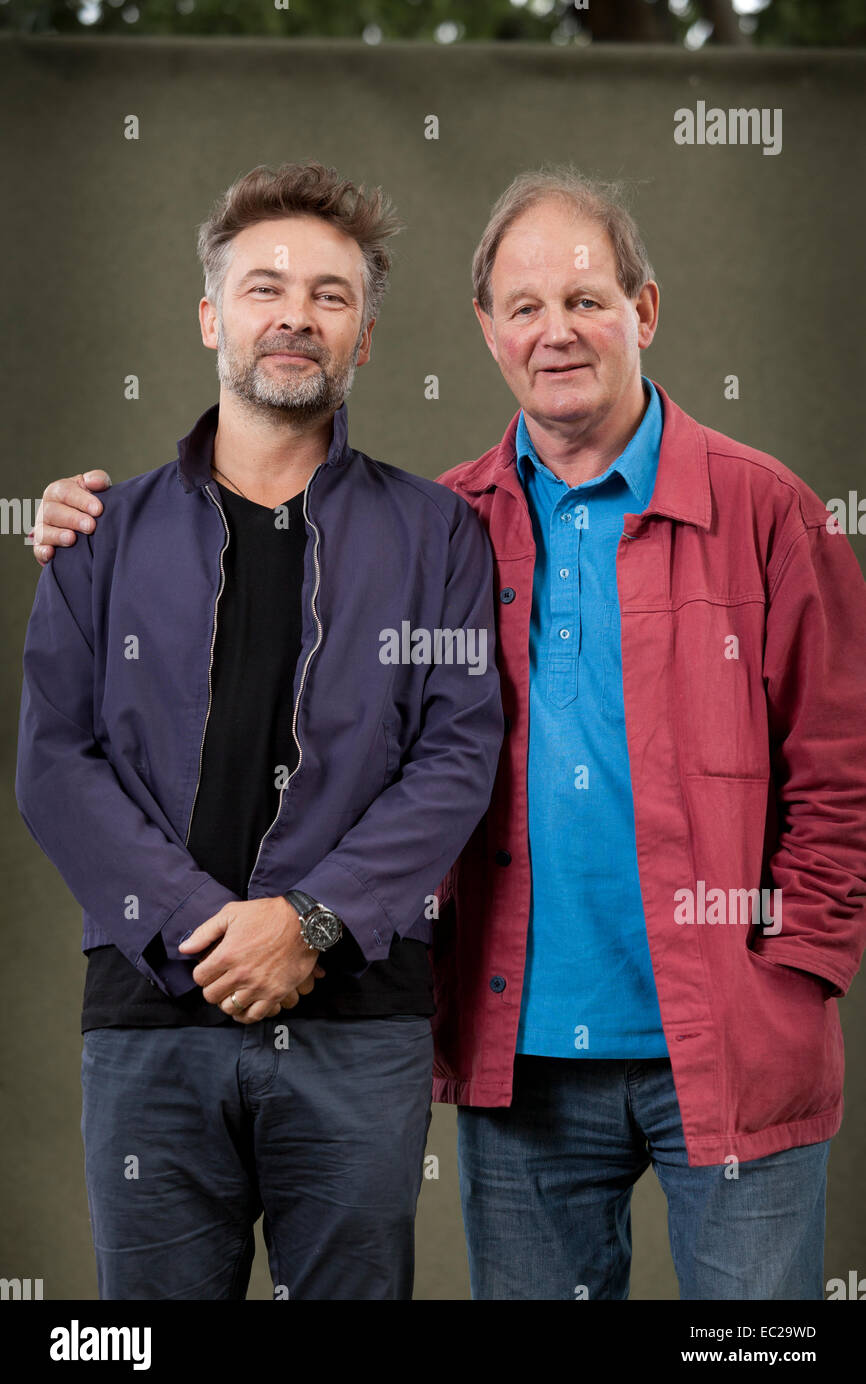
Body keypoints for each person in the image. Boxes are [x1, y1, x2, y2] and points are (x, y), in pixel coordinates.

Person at [31, 167, 866, 1302]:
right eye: (523, 306)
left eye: (584, 302)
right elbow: (63, 760)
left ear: (645, 312)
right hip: (497, 1057)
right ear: (484, 330)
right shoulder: (446, 519)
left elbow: (832, 764)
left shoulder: (742, 510)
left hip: (708, 1043)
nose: (555, 331)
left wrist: (797, 968)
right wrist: (197, 926)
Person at [16, 161, 503, 1301]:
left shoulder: (439, 535)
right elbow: (52, 763)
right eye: (264, 287)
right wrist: (205, 929)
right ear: (209, 316)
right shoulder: (96, 533)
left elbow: (455, 753)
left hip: (357, 1026)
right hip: (149, 1018)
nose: (296, 314)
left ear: (365, 338)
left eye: (332, 295)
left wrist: (311, 925)